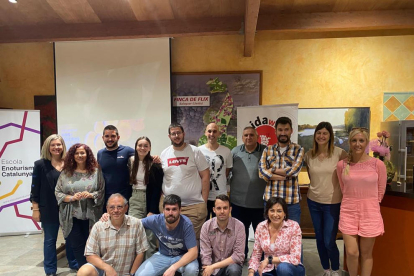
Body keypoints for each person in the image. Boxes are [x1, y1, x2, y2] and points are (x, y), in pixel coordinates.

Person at [336, 128, 387, 276]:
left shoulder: (378, 165)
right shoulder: (342, 165)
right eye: (354, 140)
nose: (357, 144)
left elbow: (380, 190)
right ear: (349, 142)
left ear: (366, 143)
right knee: (352, 252)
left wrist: (371, 205)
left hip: (370, 212)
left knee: (366, 254)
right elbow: (343, 187)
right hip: (348, 211)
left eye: (361, 140)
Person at [30, 134, 78, 276]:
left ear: (63, 146)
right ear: (48, 147)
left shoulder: (70, 164)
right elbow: (34, 188)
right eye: (53, 145)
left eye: (59, 144)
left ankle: (74, 264)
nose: (56, 147)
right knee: (50, 240)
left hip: (68, 208)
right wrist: (35, 209)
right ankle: (50, 270)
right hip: (48, 209)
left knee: (70, 238)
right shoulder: (40, 165)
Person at [304, 122, 347, 276]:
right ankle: (326, 269)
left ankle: (335, 268)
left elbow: (347, 176)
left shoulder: (340, 153)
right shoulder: (309, 154)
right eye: (319, 133)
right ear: (315, 135)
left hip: (332, 203)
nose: (321, 136)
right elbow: (311, 176)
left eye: (325, 133)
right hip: (313, 201)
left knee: (329, 239)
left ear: (330, 136)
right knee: (320, 238)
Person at [55, 143, 105, 267]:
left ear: (88, 154)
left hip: (91, 214)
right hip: (71, 215)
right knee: (77, 244)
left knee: (92, 244)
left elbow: (101, 191)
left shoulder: (96, 172)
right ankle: (83, 270)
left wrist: (91, 195)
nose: (80, 155)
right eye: (77, 153)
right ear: (72, 155)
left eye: (82, 153)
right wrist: (71, 198)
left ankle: (93, 269)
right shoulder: (66, 173)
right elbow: (58, 192)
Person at [77, 193, 148, 276]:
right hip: (104, 271)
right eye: (112, 207)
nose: (116, 210)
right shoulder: (98, 227)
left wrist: (132, 274)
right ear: (107, 209)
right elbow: (90, 254)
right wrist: (107, 268)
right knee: (84, 271)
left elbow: (140, 253)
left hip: (125, 273)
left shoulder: (136, 224)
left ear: (126, 208)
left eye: (119, 207)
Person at [160, 123, 210, 239]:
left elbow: (206, 176)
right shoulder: (164, 153)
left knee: (192, 240)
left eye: (178, 133)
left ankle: (192, 258)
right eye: (173, 134)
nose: (176, 136)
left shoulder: (195, 151)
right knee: (172, 240)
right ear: (169, 136)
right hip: (171, 207)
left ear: (183, 134)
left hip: (193, 206)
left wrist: (204, 201)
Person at [136, 194, 199, 276]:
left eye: (174, 209)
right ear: (163, 210)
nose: (170, 213)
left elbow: (193, 253)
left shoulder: (186, 224)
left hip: (182, 256)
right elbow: (136, 223)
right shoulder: (155, 220)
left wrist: (173, 267)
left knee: (192, 270)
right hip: (163, 255)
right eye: (167, 209)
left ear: (180, 210)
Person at [230, 126, 267, 260]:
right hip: (238, 203)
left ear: (257, 137)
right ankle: (242, 256)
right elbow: (228, 172)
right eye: (246, 135)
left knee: (261, 234)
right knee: (240, 233)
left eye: (251, 135)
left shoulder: (266, 151)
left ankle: (260, 258)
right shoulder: (234, 151)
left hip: (260, 203)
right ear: (242, 137)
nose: (248, 137)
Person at [259, 117, 304, 224]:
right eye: (280, 130)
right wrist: (283, 175)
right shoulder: (267, 150)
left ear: (291, 131)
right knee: (270, 236)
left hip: (291, 203)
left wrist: (271, 170)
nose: (283, 133)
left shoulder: (298, 149)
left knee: (292, 236)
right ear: (275, 131)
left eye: (286, 129)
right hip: (271, 202)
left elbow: (294, 171)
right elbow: (261, 172)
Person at [248, 197, 305, 276]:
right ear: (267, 212)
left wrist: (269, 260)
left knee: (282, 269)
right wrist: (251, 272)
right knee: (257, 274)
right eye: (272, 210)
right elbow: (256, 254)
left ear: (284, 213)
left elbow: (295, 258)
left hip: (290, 268)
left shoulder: (293, 226)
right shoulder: (261, 227)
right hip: (268, 269)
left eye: (279, 211)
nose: (275, 215)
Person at [128, 136, 163, 259]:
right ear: (136, 147)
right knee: (133, 231)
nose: (142, 148)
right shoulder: (130, 161)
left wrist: (152, 210)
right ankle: (135, 267)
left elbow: (156, 189)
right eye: (140, 145)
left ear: (150, 148)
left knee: (150, 236)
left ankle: (149, 267)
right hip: (134, 199)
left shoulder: (155, 164)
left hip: (150, 199)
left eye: (145, 145)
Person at [200, 194, 245, 276]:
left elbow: (238, 256)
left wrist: (213, 266)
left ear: (230, 209)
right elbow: (205, 254)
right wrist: (208, 269)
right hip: (212, 269)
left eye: (225, 208)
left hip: (230, 266)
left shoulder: (239, 226)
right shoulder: (206, 226)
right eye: (219, 208)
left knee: (234, 270)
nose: (222, 211)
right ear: (214, 210)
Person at [199, 123, 233, 219]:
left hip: (220, 196)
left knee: (220, 225)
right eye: (209, 131)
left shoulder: (226, 151)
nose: (212, 134)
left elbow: (226, 172)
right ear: (205, 133)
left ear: (219, 134)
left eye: (214, 131)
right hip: (203, 196)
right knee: (203, 225)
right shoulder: (198, 151)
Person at [97, 125, 135, 208]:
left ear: (118, 137)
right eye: (107, 136)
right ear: (103, 138)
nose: (110, 139)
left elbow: (143, 156)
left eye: (113, 136)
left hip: (124, 196)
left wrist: (154, 158)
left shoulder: (127, 151)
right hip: (106, 197)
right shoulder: (100, 153)